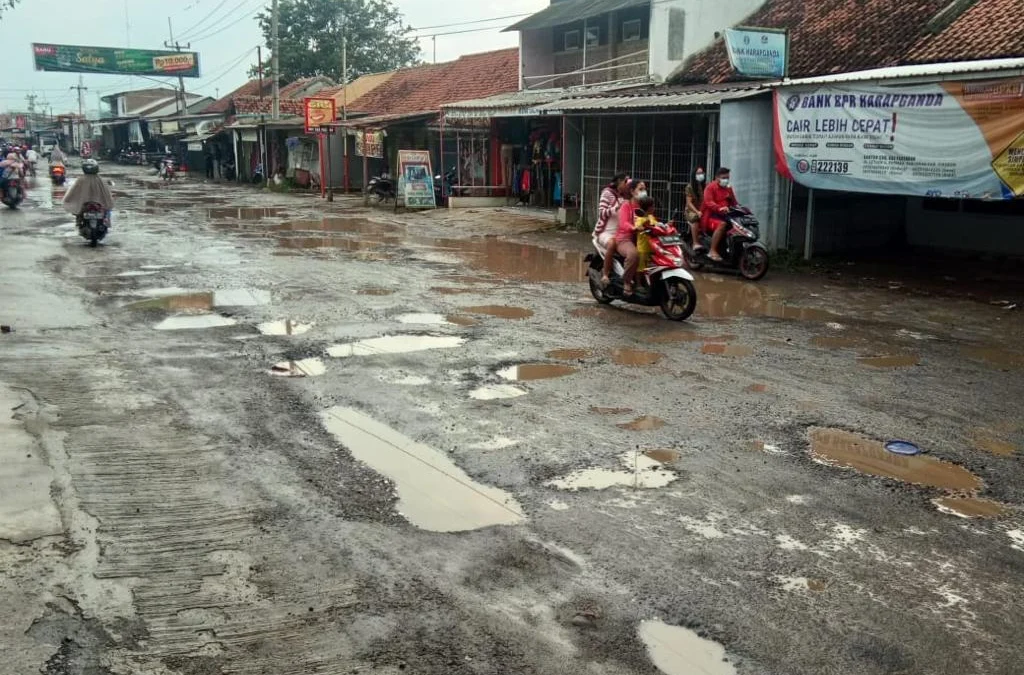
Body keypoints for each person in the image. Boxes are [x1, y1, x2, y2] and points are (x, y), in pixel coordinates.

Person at [594, 172, 628, 287]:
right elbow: (602, 213)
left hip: (621, 233)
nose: (627, 184)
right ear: (619, 182)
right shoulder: (607, 193)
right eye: (625, 181)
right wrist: (615, 208)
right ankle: (606, 274)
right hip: (605, 232)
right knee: (612, 243)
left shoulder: (625, 196)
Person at [614, 179, 648, 295]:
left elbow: (651, 219)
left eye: (645, 189)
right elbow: (623, 223)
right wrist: (633, 228)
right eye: (641, 189)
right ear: (632, 191)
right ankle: (627, 282)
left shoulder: (644, 206)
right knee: (634, 254)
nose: (644, 192)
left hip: (641, 237)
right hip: (625, 239)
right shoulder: (626, 206)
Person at [701, 167, 738, 262]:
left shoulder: (728, 188)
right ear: (717, 177)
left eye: (727, 178)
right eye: (724, 178)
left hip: (725, 216)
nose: (726, 180)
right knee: (722, 225)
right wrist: (719, 208)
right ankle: (712, 251)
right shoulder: (710, 187)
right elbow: (709, 202)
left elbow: (734, 203)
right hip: (711, 216)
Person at [685, 167, 705, 251]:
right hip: (691, 211)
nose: (701, 175)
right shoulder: (690, 187)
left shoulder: (705, 186)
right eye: (698, 173)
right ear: (694, 175)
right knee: (695, 218)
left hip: (703, 209)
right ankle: (695, 243)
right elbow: (689, 203)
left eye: (702, 173)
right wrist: (697, 212)